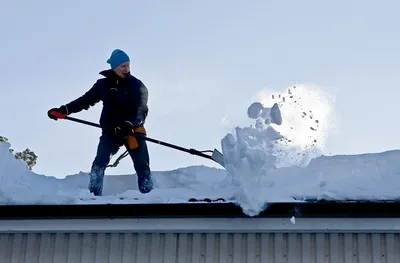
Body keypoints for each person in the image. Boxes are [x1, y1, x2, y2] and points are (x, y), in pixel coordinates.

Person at [47, 49, 154, 196]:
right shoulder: (103, 85)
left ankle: (149, 196)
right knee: (99, 163)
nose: (127, 69)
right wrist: (65, 110)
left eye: (128, 65)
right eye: (123, 66)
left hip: (132, 131)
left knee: (142, 165)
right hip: (111, 131)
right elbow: (85, 100)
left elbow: (141, 109)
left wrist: (129, 124)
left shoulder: (137, 85)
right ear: (114, 67)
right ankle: (94, 196)